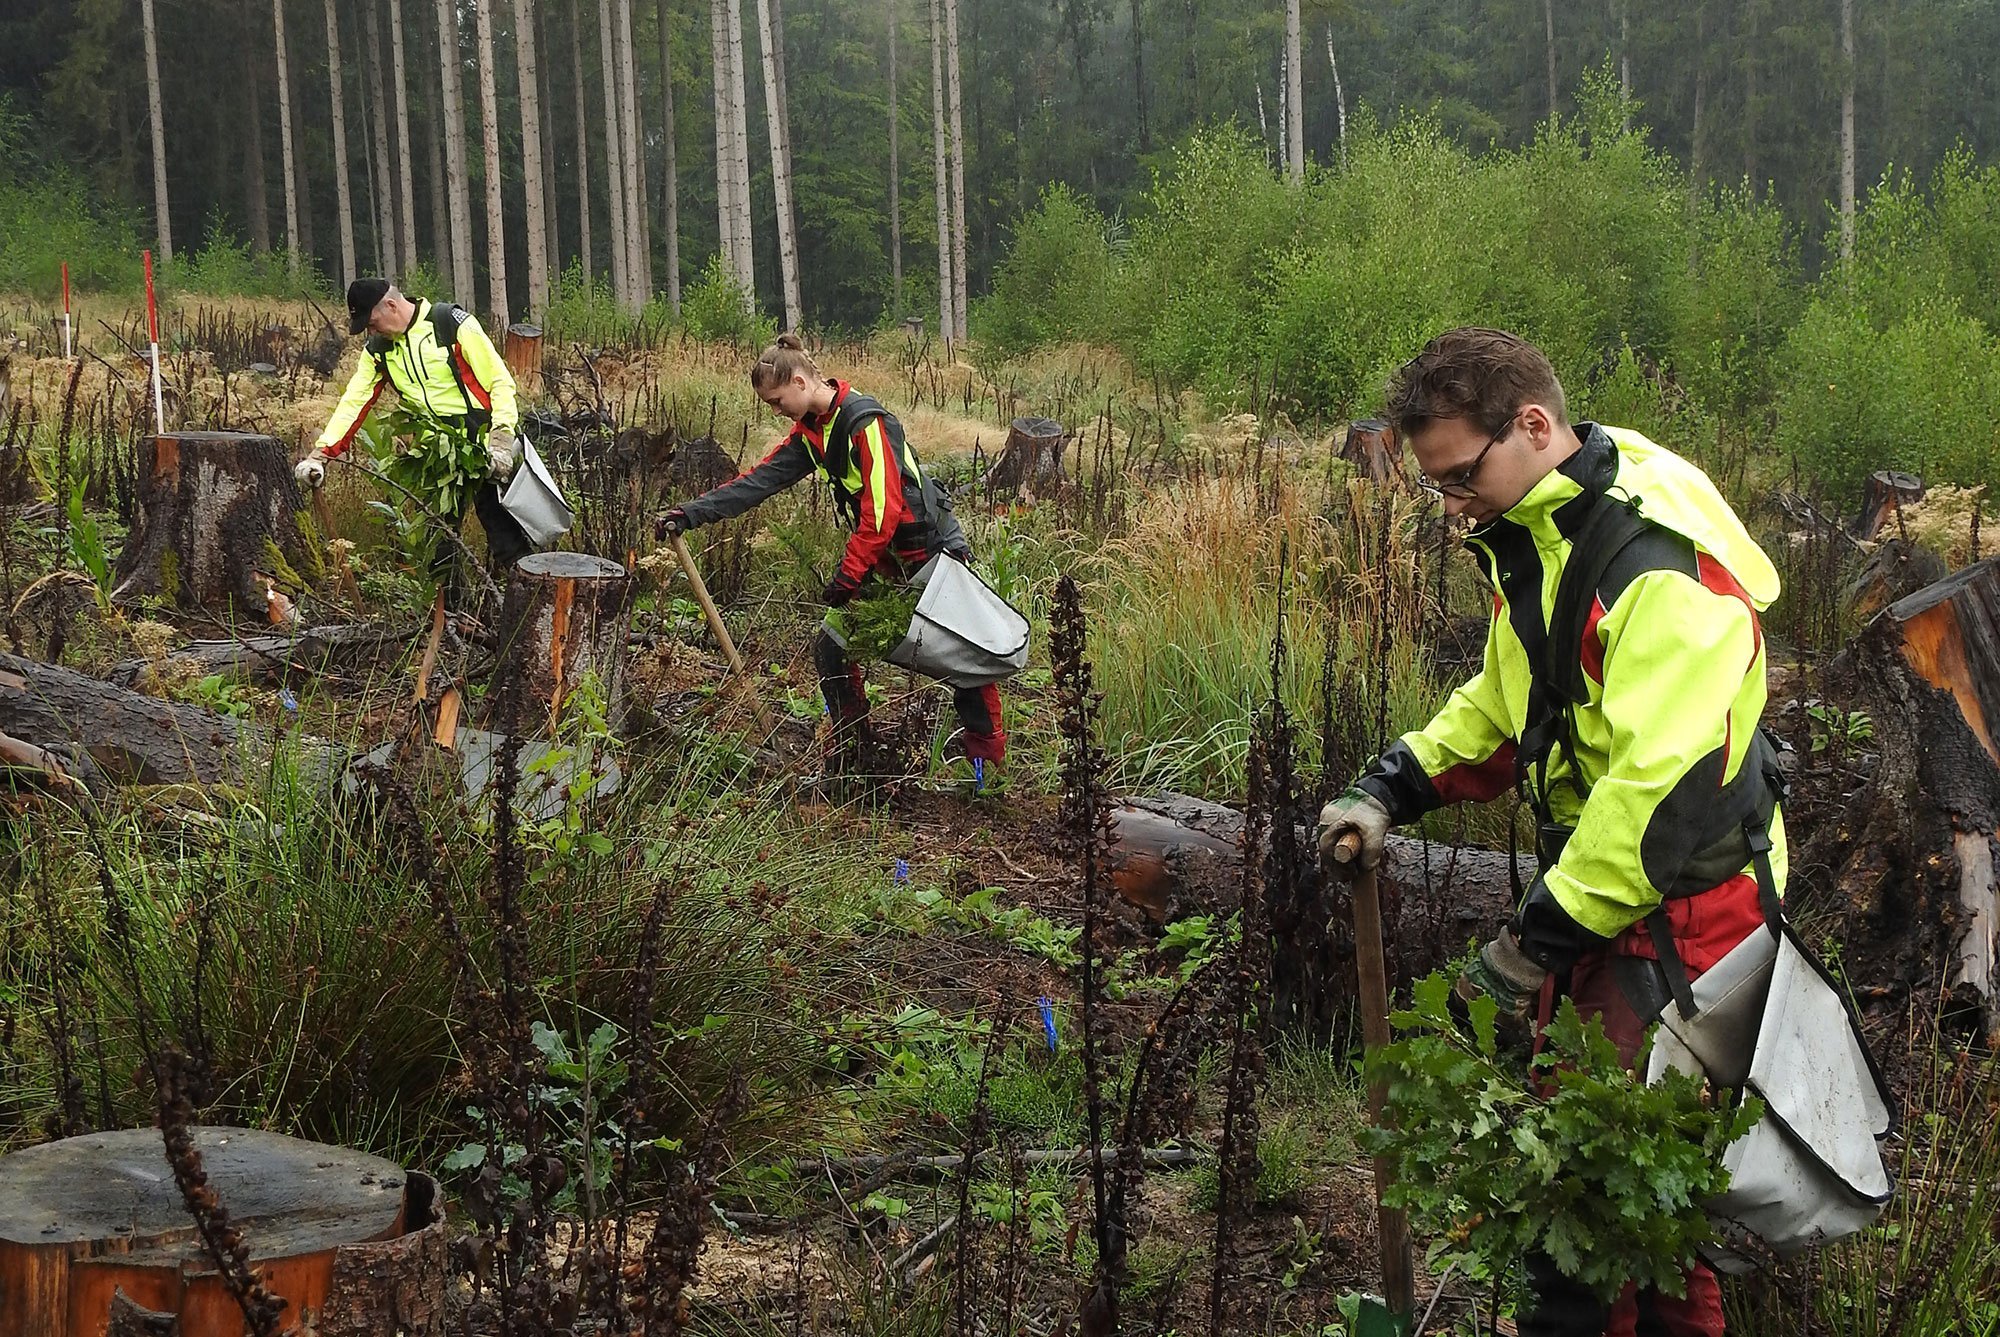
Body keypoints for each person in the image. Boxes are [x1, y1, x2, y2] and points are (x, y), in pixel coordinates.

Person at [1317, 328, 1785, 1337]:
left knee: (1624, 1195)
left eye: (1457, 479)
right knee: (1586, 1186)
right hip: (1603, 896)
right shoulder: (1543, 526)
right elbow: (1508, 701)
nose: (1450, 509)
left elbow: (1655, 796)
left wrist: (1534, 942)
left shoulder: (1655, 569)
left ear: (1531, 425)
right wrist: (1393, 783)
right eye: (1437, 487)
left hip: (1689, 912)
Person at [660, 334, 1005, 783]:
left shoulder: (866, 423)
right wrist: (691, 513)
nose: (776, 411)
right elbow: (758, 481)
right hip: (883, 562)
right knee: (832, 649)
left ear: (801, 382)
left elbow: (883, 512)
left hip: (931, 557)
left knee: (968, 664)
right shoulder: (811, 434)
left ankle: (988, 775)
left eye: (778, 400)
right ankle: (855, 757)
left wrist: (848, 574)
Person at [295, 278, 531, 583]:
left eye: (372, 322)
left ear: (391, 305)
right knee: (439, 541)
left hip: (484, 444)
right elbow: (354, 402)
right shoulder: (378, 350)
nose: (371, 331)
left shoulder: (452, 324)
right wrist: (320, 454)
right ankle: (452, 618)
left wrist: (500, 438)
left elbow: (499, 381)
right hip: (437, 453)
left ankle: (534, 611)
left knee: (506, 538)